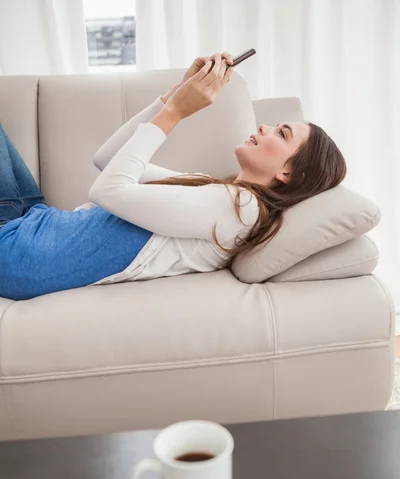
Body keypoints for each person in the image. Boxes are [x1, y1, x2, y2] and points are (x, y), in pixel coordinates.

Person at [0, 52, 346, 302]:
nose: (264, 126)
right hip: (35, 226)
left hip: (19, 252)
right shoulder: (215, 191)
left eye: (281, 134)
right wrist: (174, 94)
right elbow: (107, 161)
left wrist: (176, 112)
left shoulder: (240, 209)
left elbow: (107, 191)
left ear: (288, 172)